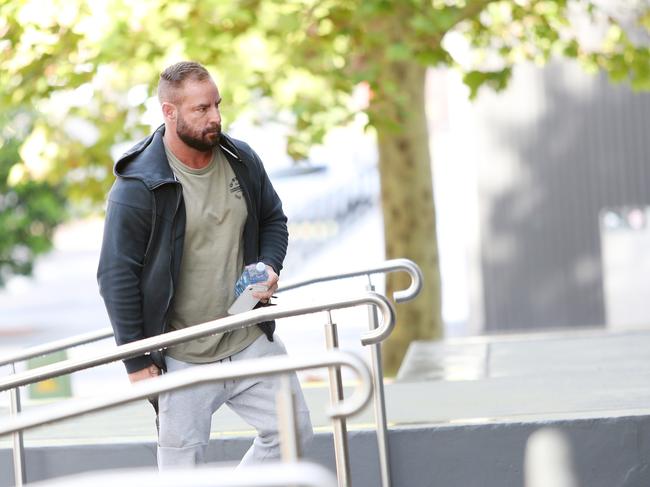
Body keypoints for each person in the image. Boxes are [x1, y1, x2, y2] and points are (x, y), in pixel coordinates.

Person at [97, 61, 313, 469]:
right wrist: (137, 362)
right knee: (182, 473)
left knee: (295, 434)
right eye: (201, 109)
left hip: (248, 335)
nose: (215, 117)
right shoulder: (138, 186)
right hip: (182, 354)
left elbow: (272, 220)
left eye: (217, 104)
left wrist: (268, 263)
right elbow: (115, 276)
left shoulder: (240, 158)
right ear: (169, 112)